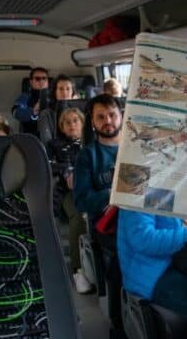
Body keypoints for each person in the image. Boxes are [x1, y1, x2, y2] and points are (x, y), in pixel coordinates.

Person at [118, 209, 187, 339]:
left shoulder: (159, 189)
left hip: (164, 265)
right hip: (149, 274)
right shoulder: (136, 189)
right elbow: (143, 239)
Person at [46, 107, 92, 293]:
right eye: (67, 122)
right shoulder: (54, 144)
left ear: (83, 124)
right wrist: (67, 171)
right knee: (80, 218)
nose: (72, 124)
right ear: (62, 127)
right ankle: (78, 271)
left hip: (94, 188)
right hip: (69, 192)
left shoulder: (92, 143)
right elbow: (48, 163)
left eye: (76, 120)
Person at [73, 93, 122, 221]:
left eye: (112, 115)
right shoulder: (86, 156)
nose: (108, 121)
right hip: (111, 221)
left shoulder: (138, 147)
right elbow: (81, 201)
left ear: (121, 116)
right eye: (100, 117)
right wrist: (112, 195)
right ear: (92, 121)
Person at [38, 74, 78, 144]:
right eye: (61, 89)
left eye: (68, 89)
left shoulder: (79, 111)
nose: (65, 93)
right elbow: (47, 143)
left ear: (73, 93)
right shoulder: (46, 114)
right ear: (55, 92)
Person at [12, 67, 49, 135]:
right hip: (32, 137)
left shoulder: (54, 96)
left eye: (44, 78)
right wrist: (33, 111)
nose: (41, 81)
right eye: (37, 79)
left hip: (52, 137)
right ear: (31, 82)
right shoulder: (25, 97)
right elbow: (16, 112)